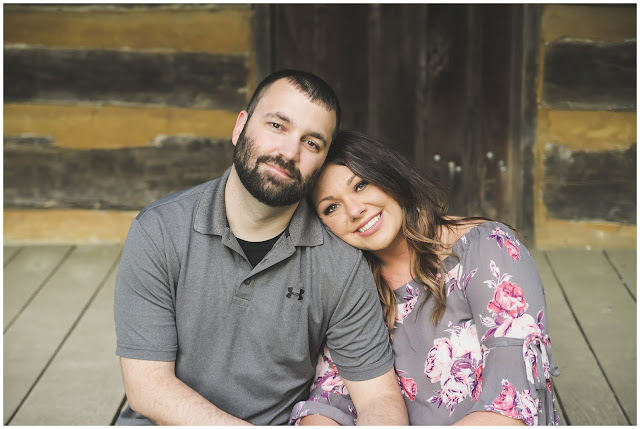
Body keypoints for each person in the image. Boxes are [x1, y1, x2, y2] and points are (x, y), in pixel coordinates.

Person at [114, 71, 408, 426]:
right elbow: (148, 387)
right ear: (241, 126)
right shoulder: (160, 231)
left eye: (312, 143)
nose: (289, 152)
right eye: (277, 125)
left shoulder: (340, 262)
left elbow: (378, 397)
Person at [291, 130, 561, 426]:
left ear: (388, 175)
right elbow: (331, 398)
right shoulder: (351, 286)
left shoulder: (486, 249)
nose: (355, 211)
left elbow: (512, 403)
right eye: (331, 207)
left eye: (361, 185)